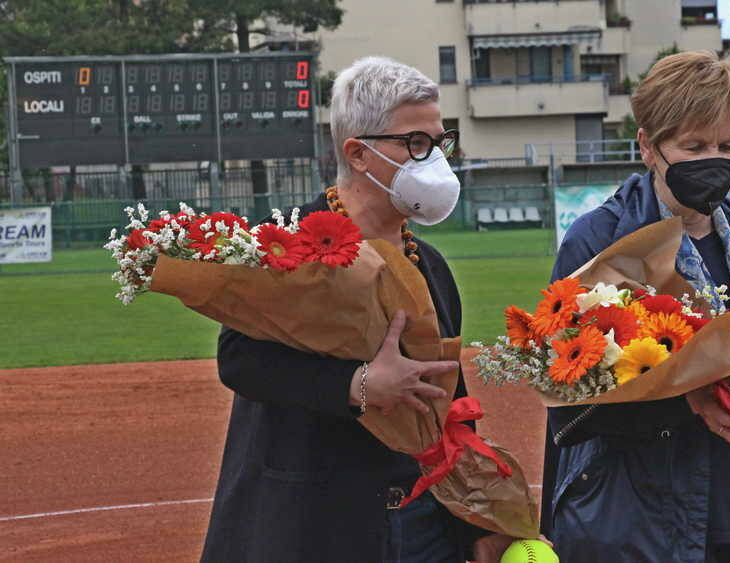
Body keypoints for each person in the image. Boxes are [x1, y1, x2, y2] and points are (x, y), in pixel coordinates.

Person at [539, 51, 730, 562]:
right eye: (694, 146)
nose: (715, 159)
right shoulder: (599, 242)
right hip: (641, 519)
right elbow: (570, 404)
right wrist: (690, 404)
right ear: (647, 146)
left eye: (728, 145)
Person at [201, 57, 513, 563]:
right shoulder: (287, 241)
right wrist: (358, 386)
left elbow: (450, 401)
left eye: (440, 141)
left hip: (423, 525)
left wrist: (476, 521)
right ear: (359, 154)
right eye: (415, 143)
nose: (434, 158)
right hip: (315, 521)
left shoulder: (429, 264)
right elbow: (239, 360)